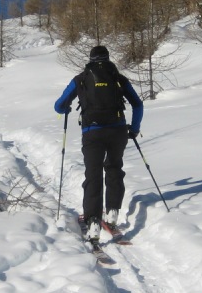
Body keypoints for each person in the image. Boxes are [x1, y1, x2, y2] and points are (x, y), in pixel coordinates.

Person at [54, 45, 143, 242]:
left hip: (92, 132)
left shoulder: (81, 78)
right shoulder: (118, 78)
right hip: (118, 131)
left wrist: (66, 108)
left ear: (91, 58)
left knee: (93, 174)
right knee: (114, 168)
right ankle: (112, 213)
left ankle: (93, 221)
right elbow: (138, 104)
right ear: (108, 58)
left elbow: (58, 106)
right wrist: (134, 128)